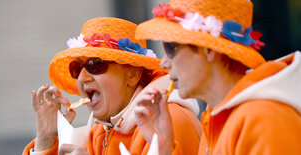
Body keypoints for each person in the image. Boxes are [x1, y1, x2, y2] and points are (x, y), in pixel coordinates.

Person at [134, 0, 301, 154]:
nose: (163, 63)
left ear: (209, 50)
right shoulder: (217, 116)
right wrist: (165, 149)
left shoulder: (264, 119)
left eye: (170, 47)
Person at [22, 17, 202, 155]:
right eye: (77, 68)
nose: (83, 77)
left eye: (95, 64)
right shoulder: (101, 131)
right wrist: (46, 138)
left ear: (133, 74)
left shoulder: (167, 120)